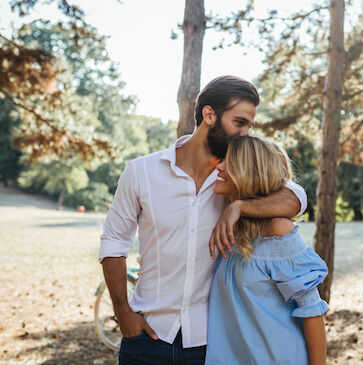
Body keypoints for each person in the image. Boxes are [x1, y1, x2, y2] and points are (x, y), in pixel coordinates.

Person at [99, 76, 308, 364]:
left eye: (249, 125)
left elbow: (297, 197)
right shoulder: (141, 172)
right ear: (210, 115)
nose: (245, 133)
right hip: (146, 337)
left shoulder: (232, 181)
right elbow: (113, 242)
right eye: (240, 122)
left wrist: (238, 207)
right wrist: (123, 312)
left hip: (212, 343)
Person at [205, 136, 328, 365]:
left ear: (248, 172)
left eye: (228, 162)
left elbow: (312, 310)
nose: (218, 166)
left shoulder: (277, 230)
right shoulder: (229, 229)